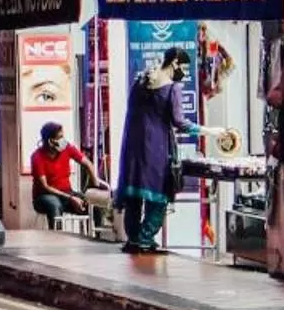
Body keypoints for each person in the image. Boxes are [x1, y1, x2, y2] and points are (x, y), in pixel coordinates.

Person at [118, 47, 199, 252]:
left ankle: (134, 238)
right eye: (184, 67)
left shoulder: (140, 82)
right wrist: (208, 131)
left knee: (134, 196)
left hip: (133, 146)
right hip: (156, 148)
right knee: (160, 195)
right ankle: (145, 237)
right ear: (174, 63)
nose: (185, 72)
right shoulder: (173, 88)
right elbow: (179, 121)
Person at [29, 121, 102, 227]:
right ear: (50, 141)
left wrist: (95, 185)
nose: (64, 140)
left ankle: (95, 239)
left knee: (93, 206)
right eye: (60, 137)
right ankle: (57, 241)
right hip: (44, 196)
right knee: (54, 205)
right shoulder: (37, 157)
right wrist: (70, 198)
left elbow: (87, 163)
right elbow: (45, 186)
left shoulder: (67, 148)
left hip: (67, 193)